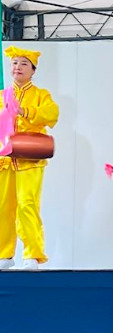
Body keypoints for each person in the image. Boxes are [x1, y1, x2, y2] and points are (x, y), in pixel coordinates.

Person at [0, 47, 60, 270]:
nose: (18, 67)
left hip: (29, 159)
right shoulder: (1, 96)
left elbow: (52, 114)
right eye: (15, 63)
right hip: (5, 161)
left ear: (33, 70)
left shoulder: (41, 95)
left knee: (27, 204)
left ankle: (32, 254)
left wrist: (24, 111)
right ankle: (4, 254)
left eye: (24, 63)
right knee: (3, 207)